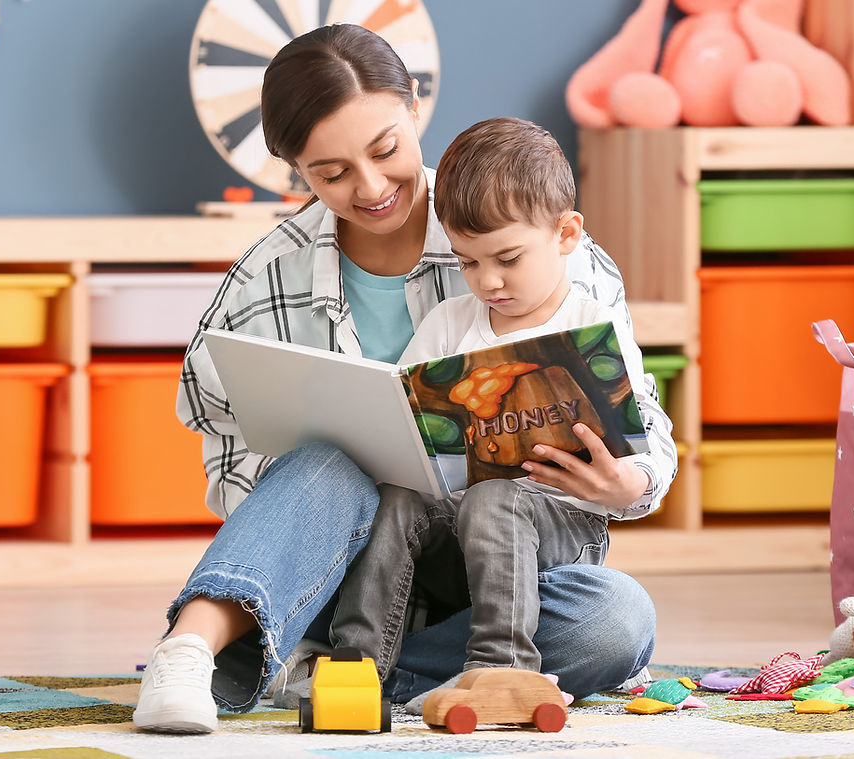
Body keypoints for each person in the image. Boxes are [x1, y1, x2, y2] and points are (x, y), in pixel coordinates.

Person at [132, 24, 675, 735]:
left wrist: (626, 486)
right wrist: (329, 495)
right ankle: (189, 650)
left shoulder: (543, 246)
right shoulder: (269, 274)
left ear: (413, 104)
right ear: (295, 169)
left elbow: (644, 429)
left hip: (498, 582)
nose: (370, 186)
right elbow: (228, 458)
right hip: (341, 562)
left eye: (384, 149)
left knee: (613, 616)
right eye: (330, 172)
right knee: (330, 462)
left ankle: (331, 674)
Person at [326, 117, 670, 713]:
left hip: (557, 538)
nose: (487, 281)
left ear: (566, 234)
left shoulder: (593, 328)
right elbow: (400, 423)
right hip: (451, 545)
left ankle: (500, 671)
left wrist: (627, 482)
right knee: (399, 496)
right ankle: (355, 672)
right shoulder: (448, 326)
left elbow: (650, 441)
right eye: (467, 262)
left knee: (512, 513)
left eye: (507, 259)